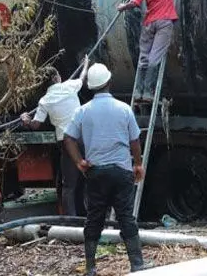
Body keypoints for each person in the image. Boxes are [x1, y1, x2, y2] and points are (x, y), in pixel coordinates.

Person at [64, 63, 150, 275]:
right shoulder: (124, 109)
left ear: (91, 87)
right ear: (109, 82)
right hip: (121, 172)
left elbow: (68, 138)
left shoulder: (82, 111)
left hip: (97, 173)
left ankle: (91, 268)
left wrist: (79, 162)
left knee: (94, 218)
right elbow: (135, 141)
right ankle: (137, 265)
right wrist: (138, 164)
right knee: (126, 217)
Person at [20, 57, 89, 216]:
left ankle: (72, 222)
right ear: (55, 78)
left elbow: (35, 125)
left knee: (68, 185)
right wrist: (85, 63)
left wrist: (25, 119)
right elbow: (82, 77)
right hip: (83, 139)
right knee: (87, 179)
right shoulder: (70, 86)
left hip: (66, 143)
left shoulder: (44, 101)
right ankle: (88, 216)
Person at [117, 0, 178, 103]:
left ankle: (138, 92)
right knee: (154, 58)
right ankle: (149, 93)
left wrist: (122, 6)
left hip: (149, 23)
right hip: (164, 22)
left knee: (143, 58)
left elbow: (135, 3)